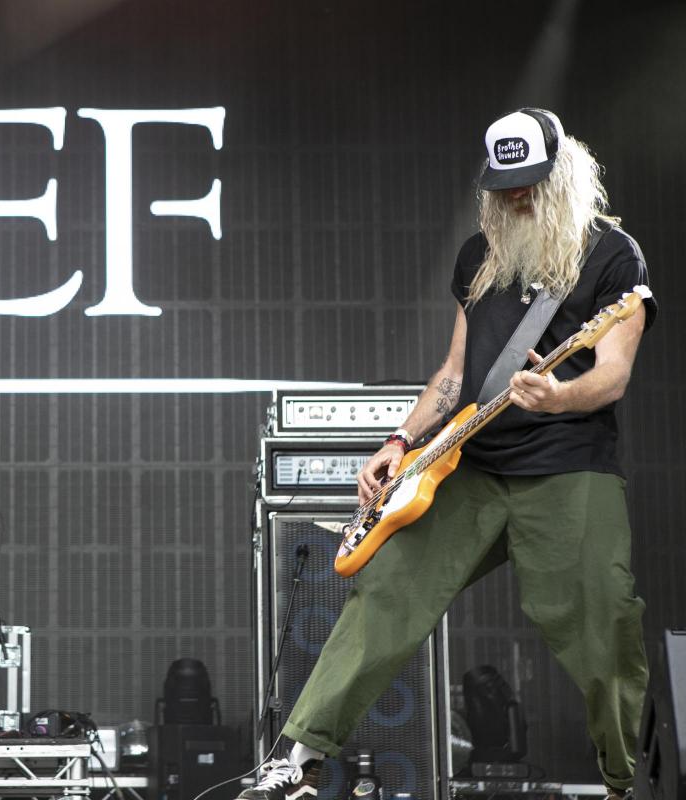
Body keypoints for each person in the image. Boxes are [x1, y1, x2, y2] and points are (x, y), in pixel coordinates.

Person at [242, 108, 655, 800]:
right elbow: (456, 374)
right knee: (386, 588)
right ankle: (299, 760)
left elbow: (612, 373)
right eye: (505, 187)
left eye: (530, 183)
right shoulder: (480, 257)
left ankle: (621, 784)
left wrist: (558, 397)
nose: (516, 198)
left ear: (564, 174)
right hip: (471, 465)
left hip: (568, 463)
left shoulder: (614, 256)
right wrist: (400, 441)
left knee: (601, 619)